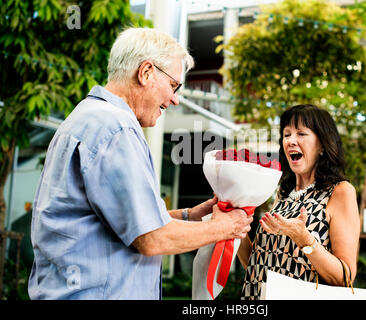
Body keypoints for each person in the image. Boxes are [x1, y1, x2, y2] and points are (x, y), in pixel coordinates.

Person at [28, 27, 252, 300]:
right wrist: (224, 227)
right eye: (173, 85)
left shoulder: (89, 117)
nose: (175, 98)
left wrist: (190, 216)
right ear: (145, 72)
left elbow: (124, 222)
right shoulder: (116, 128)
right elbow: (151, 237)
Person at [238, 104, 360, 300]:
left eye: (301, 134)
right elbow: (258, 265)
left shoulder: (340, 192)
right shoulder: (283, 194)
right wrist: (236, 228)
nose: (291, 141)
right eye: (287, 135)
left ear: (322, 145)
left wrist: (304, 239)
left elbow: (345, 278)